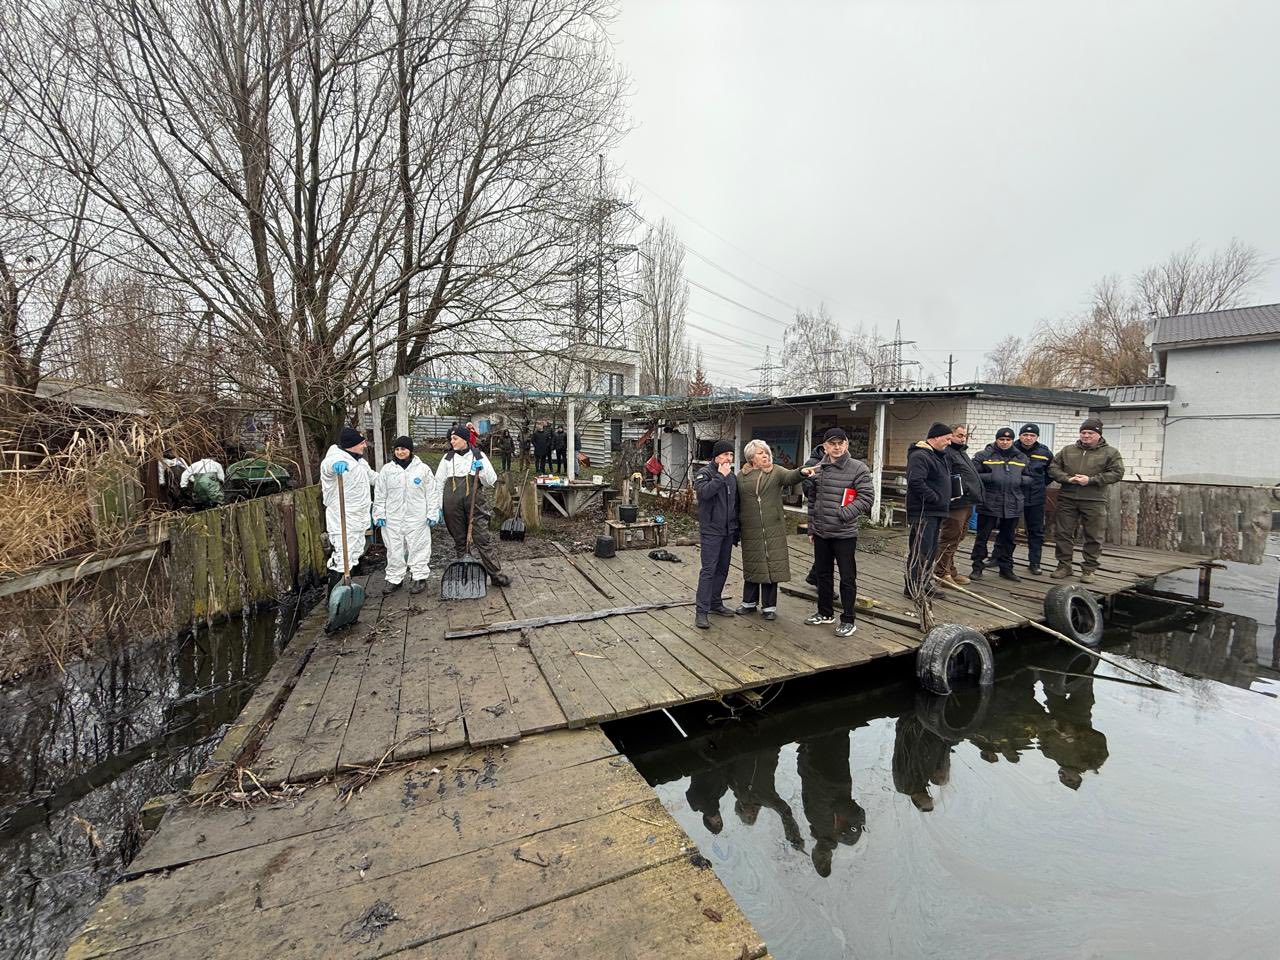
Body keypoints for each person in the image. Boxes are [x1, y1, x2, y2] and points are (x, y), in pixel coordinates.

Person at [805, 428, 874, 637]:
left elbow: (867, 498)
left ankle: (848, 619)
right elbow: (811, 500)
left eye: (840, 443)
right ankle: (825, 613)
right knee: (823, 575)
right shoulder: (818, 468)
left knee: (847, 578)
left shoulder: (858, 468)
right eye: (832, 444)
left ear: (846, 445)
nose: (836, 448)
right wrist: (811, 527)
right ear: (824, 447)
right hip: (821, 532)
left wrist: (844, 514)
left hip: (844, 534)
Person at [734, 439, 807, 621]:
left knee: (771, 565)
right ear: (751, 457)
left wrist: (802, 472)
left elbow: (791, 476)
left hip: (773, 527)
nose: (765, 455)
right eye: (760, 453)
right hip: (750, 528)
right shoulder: (740, 477)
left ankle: (769, 607)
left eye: (766, 452)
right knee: (753, 563)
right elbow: (735, 502)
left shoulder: (776, 471)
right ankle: (748, 603)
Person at [1049, 418, 1124, 583]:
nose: (1086, 435)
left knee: (1093, 536)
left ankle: (1089, 570)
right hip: (1067, 498)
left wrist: (1090, 480)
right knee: (1063, 533)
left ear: (1098, 434)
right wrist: (1067, 479)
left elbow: (1117, 473)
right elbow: (1053, 467)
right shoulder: (1068, 450)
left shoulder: (1110, 453)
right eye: (1083, 432)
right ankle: (1064, 566)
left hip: (1094, 499)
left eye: (1090, 432)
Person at [435, 425, 510, 586]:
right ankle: (466, 574)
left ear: (465, 439)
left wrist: (481, 469)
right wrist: (438, 507)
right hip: (452, 506)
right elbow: (438, 483)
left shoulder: (478, 455)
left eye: (455, 438)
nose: (451, 441)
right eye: (451, 439)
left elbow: (491, 480)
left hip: (475, 505)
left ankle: (496, 574)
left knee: (482, 538)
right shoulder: (447, 458)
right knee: (460, 541)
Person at [373, 435, 442, 595]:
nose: (400, 452)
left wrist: (432, 512)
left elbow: (431, 493)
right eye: (397, 449)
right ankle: (394, 579)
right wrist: (379, 513)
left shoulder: (422, 469)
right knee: (394, 549)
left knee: (418, 547)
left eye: (403, 449)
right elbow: (380, 493)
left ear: (410, 450)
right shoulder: (387, 470)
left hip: (417, 517)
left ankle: (419, 578)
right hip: (393, 518)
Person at [970, 428, 1031, 582]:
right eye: (1001, 439)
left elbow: (1030, 477)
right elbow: (972, 475)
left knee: (1008, 538)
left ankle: (1006, 568)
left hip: (1012, 503)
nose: (1004, 442)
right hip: (989, 502)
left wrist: (1020, 480)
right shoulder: (984, 456)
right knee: (982, 537)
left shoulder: (1021, 457)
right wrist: (992, 477)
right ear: (996, 440)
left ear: (1012, 440)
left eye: (1008, 440)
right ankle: (977, 567)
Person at [320, 427, 376, 587]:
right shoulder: (336, 458)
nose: (364, 446)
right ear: (352, 445)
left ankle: (346, 590)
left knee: (354, 554)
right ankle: (335, 598)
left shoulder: (359, 461)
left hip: (358, 519)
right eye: (362, 443)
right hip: (342, 520)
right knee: (343, 559)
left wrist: (395, 481)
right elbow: (327, 468)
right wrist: (335, 465)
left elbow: (373, 478)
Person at [692, 439, 739, 630]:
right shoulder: (705, 473)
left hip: (728, 530)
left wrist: (736, 529)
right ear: (716, 456)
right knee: (708, 571)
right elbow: (704, 494)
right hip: (711, 530)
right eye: (724, 455)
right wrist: (720, 476)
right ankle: (701, 612)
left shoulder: (732, 476)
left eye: (730, 455)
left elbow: (736, 503)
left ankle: (715, 603)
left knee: (723, 569)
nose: (728, 459)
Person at [904, 422, 953, 600]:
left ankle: (923, 582)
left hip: (937, 511)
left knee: (931, 550)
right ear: (936, 437)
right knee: (920, 550)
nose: (949, 442)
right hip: (925, 511)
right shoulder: (920, 456)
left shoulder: (939, 456)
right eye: (947, 438)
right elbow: (915, 481)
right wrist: (935, 497)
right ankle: (912, 586)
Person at [935, 424, 984, 587]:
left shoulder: (961, 452)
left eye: (964, 436)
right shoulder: (947, 453)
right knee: (949, 538)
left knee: (958, 538)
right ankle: (941, 573)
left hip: (968, 502)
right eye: (959, 435)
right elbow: (945, 477)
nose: (962, 438)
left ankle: (951, 570)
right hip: (956, 503)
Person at [1015, 423, 1054, 575]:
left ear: (1037, 437)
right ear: (1020, 436)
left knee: (1035, 532)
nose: (1028, 438)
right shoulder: (1012, 449)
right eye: (1025, 435)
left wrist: (1039, 484)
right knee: (1007, 528)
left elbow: (1051, 472)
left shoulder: (1044, 452)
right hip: (1014, 495)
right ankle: (999, 558)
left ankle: (1035, 562)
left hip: (1036, 497)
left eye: (1032, 435)